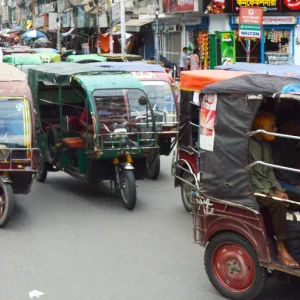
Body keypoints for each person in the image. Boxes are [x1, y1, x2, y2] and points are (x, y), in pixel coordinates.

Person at [249, 111, 300, 268]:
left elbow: (270, 170)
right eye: (272, 127)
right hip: (255, 188)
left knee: (295, 198)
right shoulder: (249, 145)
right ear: (261, 127)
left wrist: (277, 190)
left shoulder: (266, 144)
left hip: (269, 186)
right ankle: (281, 248)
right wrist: (271, 193)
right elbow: (251, 176)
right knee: (277, 205)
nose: (276, 130)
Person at [272, 110, 300, 194]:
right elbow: (278, 169)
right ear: (285, 124)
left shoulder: (295, 138)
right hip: (281, 177)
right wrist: (295, 183)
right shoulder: (275, 141)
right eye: (295, 123)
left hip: (294, 174)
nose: (298, 126)